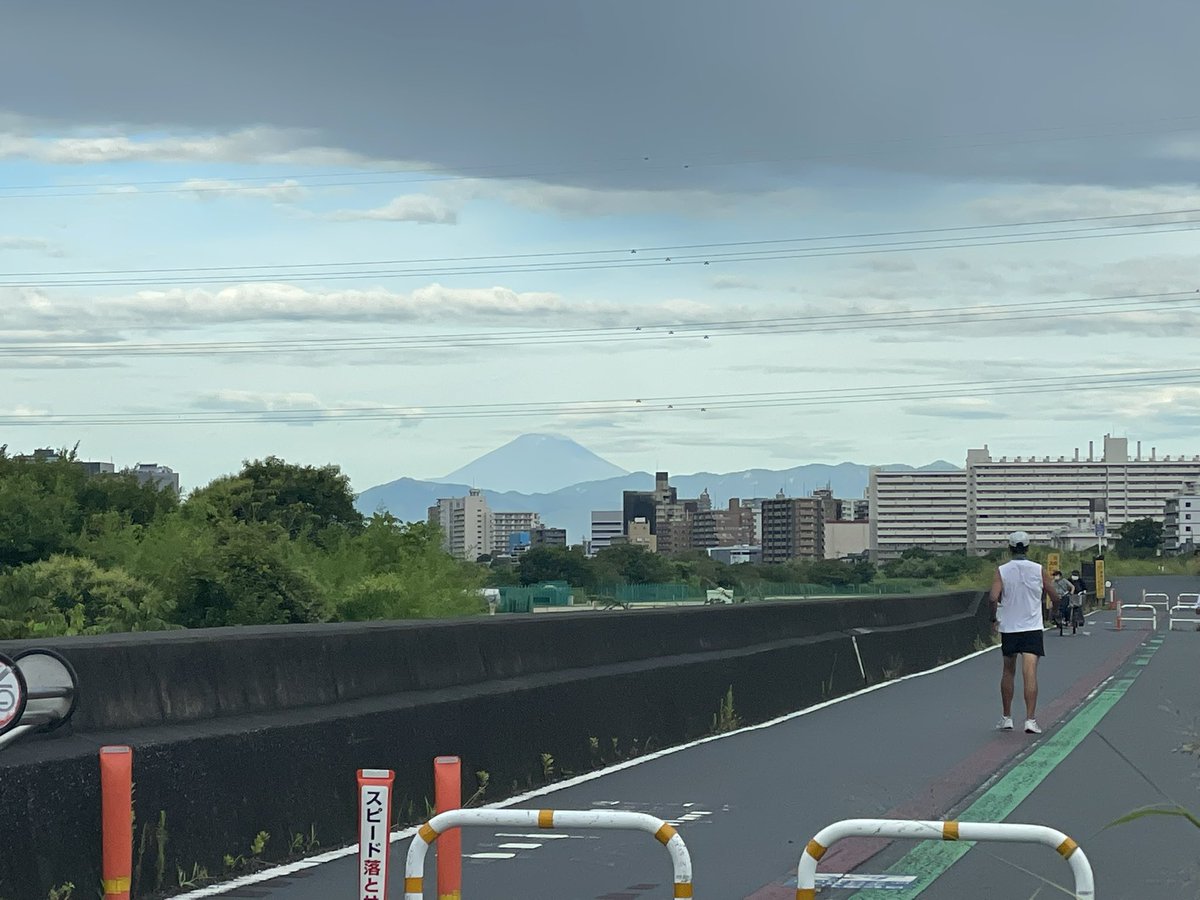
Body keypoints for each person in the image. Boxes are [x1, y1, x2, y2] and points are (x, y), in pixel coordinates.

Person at [989, 531, 1058, 734]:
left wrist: (993, 619)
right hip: (1032, 627)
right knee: (1030, 672)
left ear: (1010, 548)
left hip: (1010, 627)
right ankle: (1030, 720)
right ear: (1027, 548)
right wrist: (1052, 612)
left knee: (1008, 671)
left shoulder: (1002, 570)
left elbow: (993, 597)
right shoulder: (1038, 569)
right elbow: (1054, 594)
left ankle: (1007, 717)